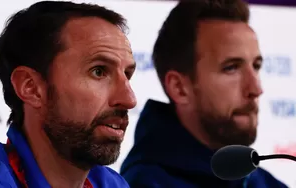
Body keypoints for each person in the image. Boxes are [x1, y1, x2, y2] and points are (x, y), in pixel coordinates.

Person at [0, 1, 136, 188]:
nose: (129, 99)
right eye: (98, 71)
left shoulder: (111, 183)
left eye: (127, 74)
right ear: (31, 88)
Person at [120, 0, 288, 187]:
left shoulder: (264, 182)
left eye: (256, 66)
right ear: (179, 88)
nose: (256, 89)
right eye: (231, 68)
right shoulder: (145, 183)